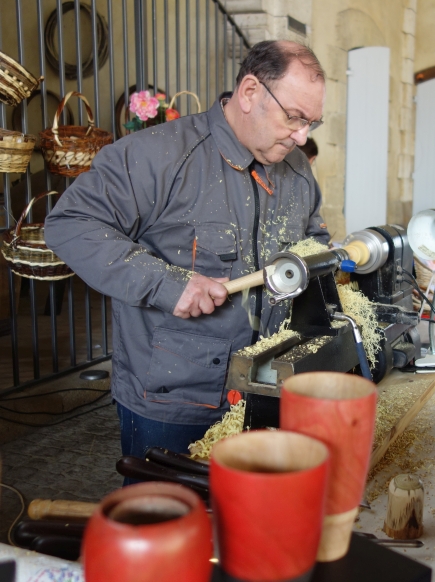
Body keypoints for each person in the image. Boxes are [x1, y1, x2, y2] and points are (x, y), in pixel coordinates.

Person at [45, 40, 330, 461]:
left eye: (312, 123)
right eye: (294, 117)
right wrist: (167, 284)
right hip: (173, 401)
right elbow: (70, 224)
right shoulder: (156, 155)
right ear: (250, 92)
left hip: (264, 388)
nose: (302, 135)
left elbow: (314, 240)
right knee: (169, 503)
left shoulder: (298, 170)